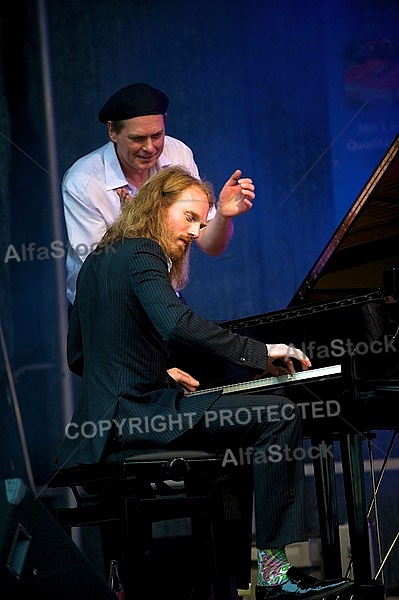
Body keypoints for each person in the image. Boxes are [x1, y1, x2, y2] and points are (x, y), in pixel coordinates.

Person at [57, 166, 353, 600]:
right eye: (190, 217)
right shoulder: (143, 252)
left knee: (237, 437)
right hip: (140, 417)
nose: (197, 231)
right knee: (279, 413)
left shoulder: (96, 261)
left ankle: (226, 582)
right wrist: (258, 352)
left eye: (203, 221)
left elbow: (78, 355)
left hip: (105, 423)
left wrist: (158, 373)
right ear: (158, 206)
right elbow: (175, 322)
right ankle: (272, 575)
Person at [62, 82, 255, 306]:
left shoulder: (178, 154)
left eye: (157, 135)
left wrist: (223, 214)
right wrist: (134, 225)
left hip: (161, 296)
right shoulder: (83, 181)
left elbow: (211, 245)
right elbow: (100, 271)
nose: (150, 147)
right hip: (106, 305)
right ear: (112, 131)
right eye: (138, 139)